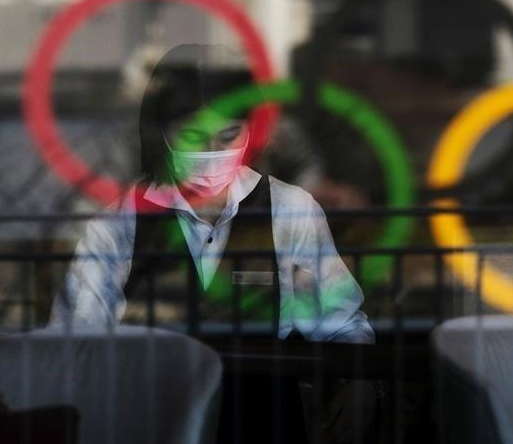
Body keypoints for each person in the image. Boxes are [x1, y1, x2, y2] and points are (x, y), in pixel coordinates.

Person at [51, 43, 375, 442]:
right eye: (193, 136)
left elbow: (338, 318)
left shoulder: (289, 209)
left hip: (261, 412)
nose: (212, 152)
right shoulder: (123, 221)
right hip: (154, 412)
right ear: (161, 135)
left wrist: (359, 379)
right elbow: (77, 334)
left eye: (227, 136)